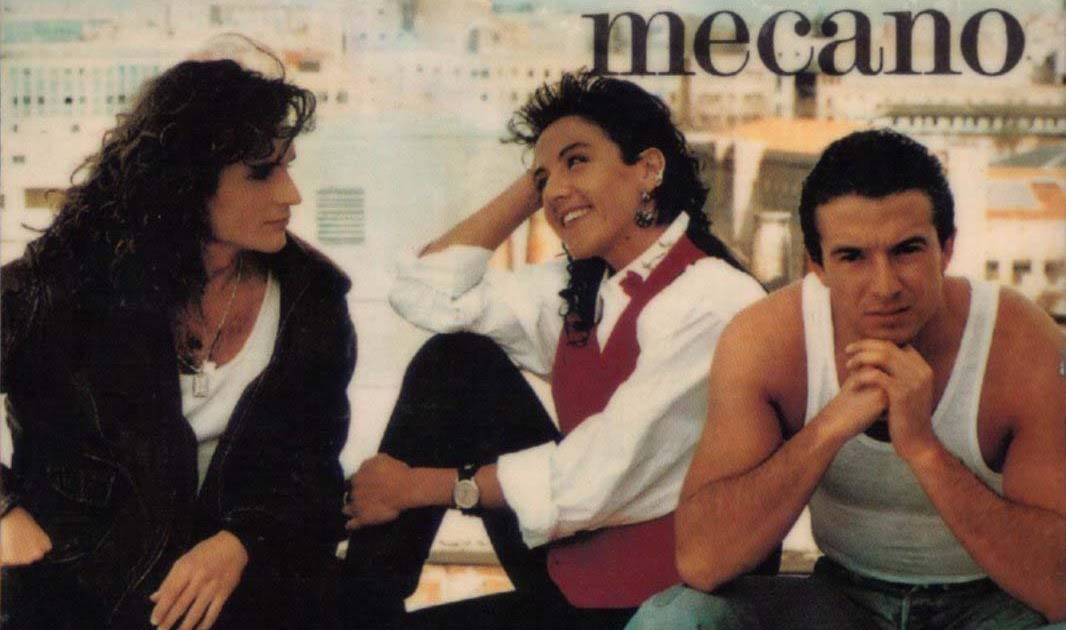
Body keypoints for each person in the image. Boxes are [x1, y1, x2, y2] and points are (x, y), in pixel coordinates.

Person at [338, 71, 770, 629]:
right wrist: (536, 186)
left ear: (648, 168)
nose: (554, 192)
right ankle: (358, 607)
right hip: (581, 571)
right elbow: (426, 293)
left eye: (577, 161)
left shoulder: (713, 298)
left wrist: (416, 488)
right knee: (456, 360)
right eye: (545, 179)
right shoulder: (585, 287)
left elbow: (599, 474)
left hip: (663, 603)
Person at [628, 129, 1066, 629]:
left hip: (997, 606)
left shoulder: (1022, 344)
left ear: (946, 249)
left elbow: (1059, 588)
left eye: (907, 250)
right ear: (815, 265)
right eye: (852, 257)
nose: (885, 286)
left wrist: (924, 449)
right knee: (674, 620)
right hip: (842, 602)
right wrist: (830, 425)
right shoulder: (768, 339)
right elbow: (703, 561)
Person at [0, 54, 355, 630]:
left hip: (242, 600)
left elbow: (313, 466)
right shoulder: (62, 284)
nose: (291, 195)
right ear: (187, 182)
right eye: (262, 174)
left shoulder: (312, 297)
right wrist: (4, 510)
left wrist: (239, 542)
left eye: (288, 167)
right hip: (79, 598)